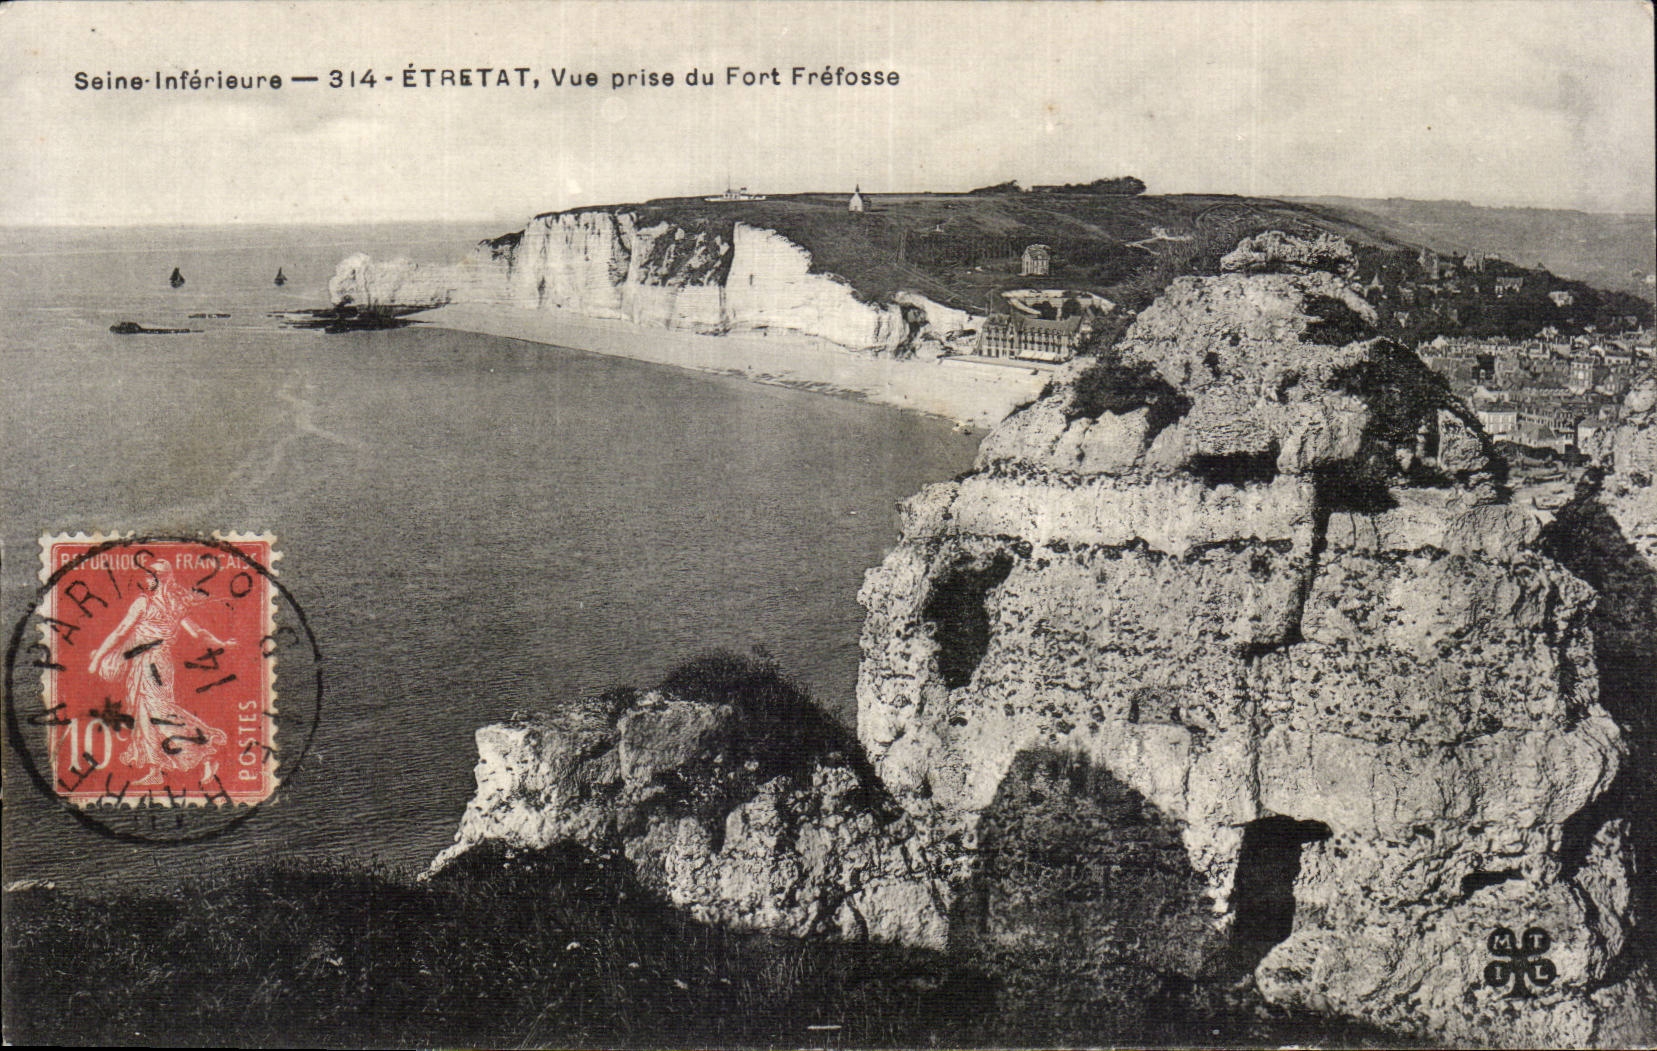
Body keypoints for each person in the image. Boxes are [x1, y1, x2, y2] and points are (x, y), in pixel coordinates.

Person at [86, 559, 232, 786]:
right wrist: (221, 642)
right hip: (156, 662)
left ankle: (206, 754)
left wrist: (97, 659)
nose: (145, 579)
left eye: (149, 575)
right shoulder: (177, 605)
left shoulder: (144, 602)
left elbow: (120, 632)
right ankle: (156, 770)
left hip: (150, 663)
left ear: (158, 578)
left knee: (159, 712)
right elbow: (197, 632)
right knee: (144, 715)